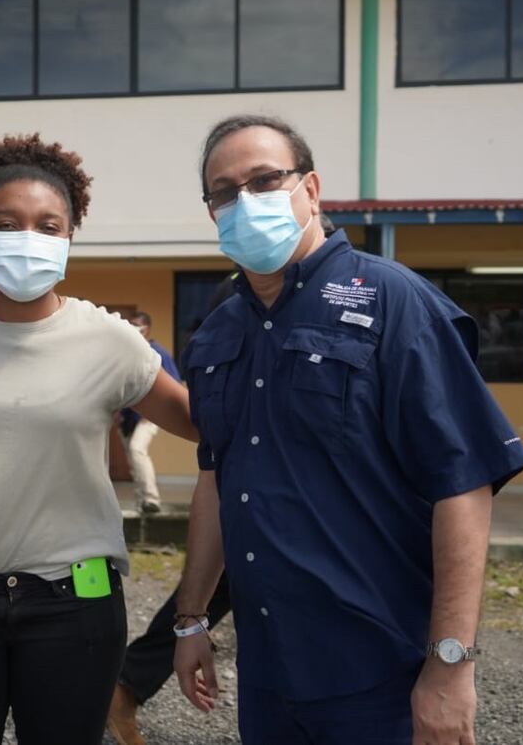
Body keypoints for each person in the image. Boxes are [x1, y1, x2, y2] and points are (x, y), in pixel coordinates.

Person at [172, 115, 523, 744]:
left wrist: (450, 667)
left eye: (264, 180)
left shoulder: (395, 301)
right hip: (267, 674)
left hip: (381, 678)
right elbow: (215, 480)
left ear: (311, 191)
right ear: (211, 213)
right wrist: (190, 619)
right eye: (224, 192)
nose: (244, 202)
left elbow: (464, 485)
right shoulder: (217, 334)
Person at [0, 133, 198, 745]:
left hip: (74, 603)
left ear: (70, 237)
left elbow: (202, 424)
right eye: (8, 222)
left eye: (48, 225)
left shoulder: (109, 339)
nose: (29, 237)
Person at [108, 215, 340, 745]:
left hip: (325, 506)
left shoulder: (358, 297)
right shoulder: (231, 303)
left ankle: (123, 686)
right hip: (255, 492)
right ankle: (122, 687)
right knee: (213, 592)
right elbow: (215, 413)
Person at [119, 311, 182, 514]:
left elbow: (174, 384)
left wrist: (155, 413)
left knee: (138, 449)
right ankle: (142, 503)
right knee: (133, 457)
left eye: (137, 324)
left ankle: (151, 499)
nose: (134, 328)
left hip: (149, 416)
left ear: (147, 328)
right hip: (128, 417)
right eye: (131, 324)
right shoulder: (128, 351)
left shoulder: (158, 352)